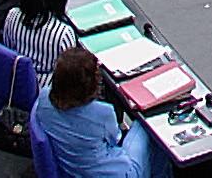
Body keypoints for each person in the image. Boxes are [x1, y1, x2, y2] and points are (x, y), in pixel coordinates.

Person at [33, 47, 173, 178]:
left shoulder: (44, 97)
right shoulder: (103, 112)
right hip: (120, 174)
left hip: (71, 170)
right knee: (148, 125)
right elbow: (115, 139)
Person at [2, 0, 77, 90]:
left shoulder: (12, 15)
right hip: (46, 90)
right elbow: (69, 72)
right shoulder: (63, 33)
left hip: (16, 80)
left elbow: (8, 48)